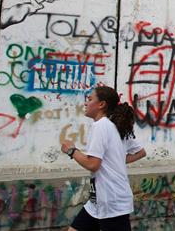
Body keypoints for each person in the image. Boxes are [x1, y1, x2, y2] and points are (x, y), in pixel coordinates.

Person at [61, 86, 147, 230]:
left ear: (101, 104)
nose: (85, 103)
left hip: (112, 201)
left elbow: (93, 164)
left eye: (90, 99)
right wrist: (115, 160)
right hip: (97, 201)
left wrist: (71, 150)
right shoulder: (115, 126)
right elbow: (141, 152)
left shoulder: (100, 126)